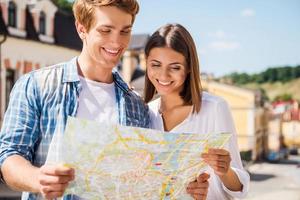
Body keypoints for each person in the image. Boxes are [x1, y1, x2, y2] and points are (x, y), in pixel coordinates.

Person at [0, 0, 150, 199]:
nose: (117, 42)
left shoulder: (137, 106)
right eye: (105, 30)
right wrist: (38, 178)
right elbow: (9, 156)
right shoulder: (36, 85)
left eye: (125, 31)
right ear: (82, 28)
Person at [144, 23, 250, 200]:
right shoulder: (147, 114)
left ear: (189, 68)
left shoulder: (215, 108)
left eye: (175, 67)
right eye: (156, 65)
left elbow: (240, 189)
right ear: (146, 63)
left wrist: (225, 172)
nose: (163, 75)